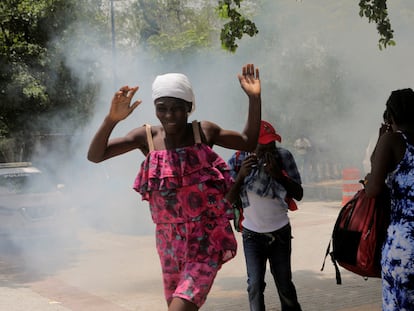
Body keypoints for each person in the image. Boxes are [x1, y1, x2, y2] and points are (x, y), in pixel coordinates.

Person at [87, 63, 261, 311]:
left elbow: (247, 142)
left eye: (177, 109)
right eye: (162, 109)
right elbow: (96, 155)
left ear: (189, 107)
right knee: (176, 305)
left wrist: (255, 99)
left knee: (180, 308)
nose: (169, 115)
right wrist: (111, 119)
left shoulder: (204, 132)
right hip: (168, 244)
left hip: (206, 239)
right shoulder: (146, 137)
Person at [226, 120, 303, 311]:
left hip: (280, 234)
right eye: (263, 144)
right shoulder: (237, 160)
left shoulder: (283, 156)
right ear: (251, 144)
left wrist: (279, 175)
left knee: (285, 285)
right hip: (252, 236)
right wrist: (241, 175)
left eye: (272, 143)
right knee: (255, 286)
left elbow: (299, 193)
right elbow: (227, 199)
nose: (269, 148)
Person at [365, 88, 414, 311]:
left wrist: (382, 138)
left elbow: (374, 188)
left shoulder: (393, 140)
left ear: (391, 116)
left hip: (404, 245)